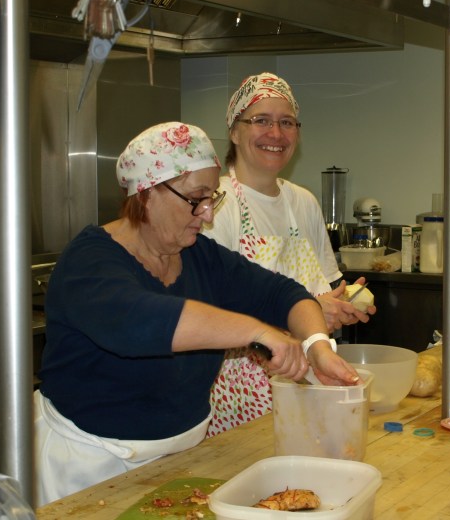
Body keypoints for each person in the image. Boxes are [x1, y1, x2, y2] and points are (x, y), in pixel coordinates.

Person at [34, 121, 360, 505]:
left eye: (212, 198)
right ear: (147, 193)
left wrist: (317, 346)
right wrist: (257, 331)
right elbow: (142, 323)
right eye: (196, 199)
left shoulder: (198, 255)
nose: (207, 215)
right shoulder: (89, 261)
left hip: (182, 459)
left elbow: (282, 294)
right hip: (90, 466)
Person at [202, 72, 376, 437]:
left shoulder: (303, 202)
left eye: (286, 122)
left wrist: (340, 305)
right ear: (234, 132)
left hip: (310, 377)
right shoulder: (217, 205)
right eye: (261, 120)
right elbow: (206, 312)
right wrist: (306, 313)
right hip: (241, 392)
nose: (276, 134)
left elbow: (323, 290)